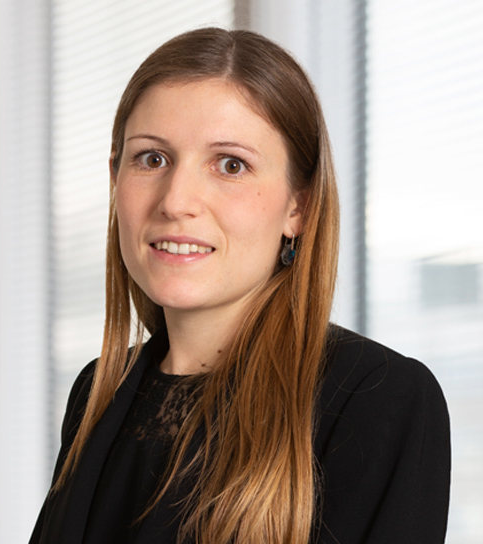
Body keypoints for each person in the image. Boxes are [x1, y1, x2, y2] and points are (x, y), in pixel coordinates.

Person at [29, 28, 450, 544]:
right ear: (115, 177)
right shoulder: (99, 392)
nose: (176, 200)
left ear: (299, 207)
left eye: (231, 165)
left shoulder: (376, 400)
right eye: (152, 158)